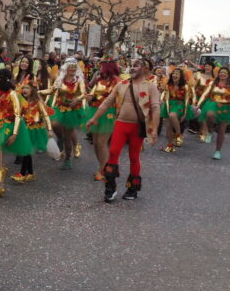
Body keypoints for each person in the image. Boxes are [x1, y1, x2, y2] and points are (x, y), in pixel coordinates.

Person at [86, 58, 160, 202]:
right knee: (113, 153)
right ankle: (110, 187)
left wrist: (154, 129)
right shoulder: (122, 84)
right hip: (121, 124)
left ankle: (132, 188)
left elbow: (156, 108)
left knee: (134, 157)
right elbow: (107, 102)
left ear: (144, 69)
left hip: (137, 127)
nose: (132, 68)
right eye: (132, 66)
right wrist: (94, 118)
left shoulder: (151, 87)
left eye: (136, 66)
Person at [0, 69, 33, 199]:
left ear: (3, 78)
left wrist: (15, 134)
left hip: (11, 124)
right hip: (0, 123)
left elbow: (18, 114)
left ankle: (0, 170)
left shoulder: (12, 94)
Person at [84, 56, 121, 181]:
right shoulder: (99, 79)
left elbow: (118, 99)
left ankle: (104, 170)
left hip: (109, 113)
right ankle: (103, 166)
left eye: (101, 66)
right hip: (96, 111)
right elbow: (93, 93)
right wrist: (90, 98)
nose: (99, 68)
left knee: (102, 142)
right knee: (95, 143)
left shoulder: (117, 81)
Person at [11, 79, 54, 182]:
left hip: (35, 130)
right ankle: (30, 173)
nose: (24, 90)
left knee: (26, 151)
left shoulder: (38, 102)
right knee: (27, 151)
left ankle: (22, 173)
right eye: (24, 88)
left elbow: (45, 115)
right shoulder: (24, 102)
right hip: (25, 129)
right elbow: (19, 115)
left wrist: (50, 129)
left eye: (27, 88)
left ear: (33, 90)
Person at [49, 58, 88, 170]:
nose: (72, 70)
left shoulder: (79, 80)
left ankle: (67, 159)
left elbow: (83, 93)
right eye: (70, 68)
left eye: (74, 68)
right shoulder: (60, 79)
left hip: (72, 111)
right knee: (54, 125)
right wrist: (38, 93)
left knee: (68, 136)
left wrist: (77, 99)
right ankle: (61, 141)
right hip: (60, 108)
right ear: (66, 69)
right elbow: (53, 91)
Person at [197, 67, 230, 160]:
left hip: (226, 107)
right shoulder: (213, 83)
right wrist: (198, 104)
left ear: (228, 75)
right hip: (213, 104)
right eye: (221, 72)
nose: (223, 74)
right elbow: (205, 94)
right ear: (218, 74)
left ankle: (217, 151)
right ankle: (210, 131)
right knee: (209, 115)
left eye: (225, 73)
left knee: (222, 130)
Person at [160, 68, 195, 152]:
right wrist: (166, 108)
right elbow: (166, 98)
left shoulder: (185, 86)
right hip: (169, 105)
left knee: (172, 115)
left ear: (181, 76)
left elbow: (186, 100)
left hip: (180, 105)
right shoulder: (168, 85)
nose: (175, 75)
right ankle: (170, 145)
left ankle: (178, 134)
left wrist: (185, 113)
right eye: (173, 74)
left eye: (177, 74)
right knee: (168, 126)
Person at [192, 62, 215, 141]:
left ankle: (207, 131)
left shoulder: (214, 78)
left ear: (212, 68)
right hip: (198, 98)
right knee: (200, 114)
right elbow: (194, 87)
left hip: (209, 99)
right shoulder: (200, 76)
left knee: (207, 115)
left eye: (209, 66)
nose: (207, 68)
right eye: (206, 66)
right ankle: (203, 130)